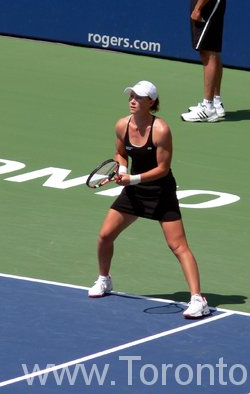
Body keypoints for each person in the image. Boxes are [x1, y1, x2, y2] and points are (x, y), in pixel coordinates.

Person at [88, 80, 210, 319]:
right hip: (134, 191)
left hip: (160, 192)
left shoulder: (161, 129)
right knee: (105, 236)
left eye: (139, 97)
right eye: (131, 96)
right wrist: (123, 170)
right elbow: (120, 153)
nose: (132, 100)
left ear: (151, 102)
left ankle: (198, 299)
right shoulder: (122, 125)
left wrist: (132, 179)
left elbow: (164, 168)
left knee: (178, 246)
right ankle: (104, 280)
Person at [181, 0, 233, 123]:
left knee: (207, 52)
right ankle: (216, 103)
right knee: (212, 52)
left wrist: (198, 7)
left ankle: (208, 107)